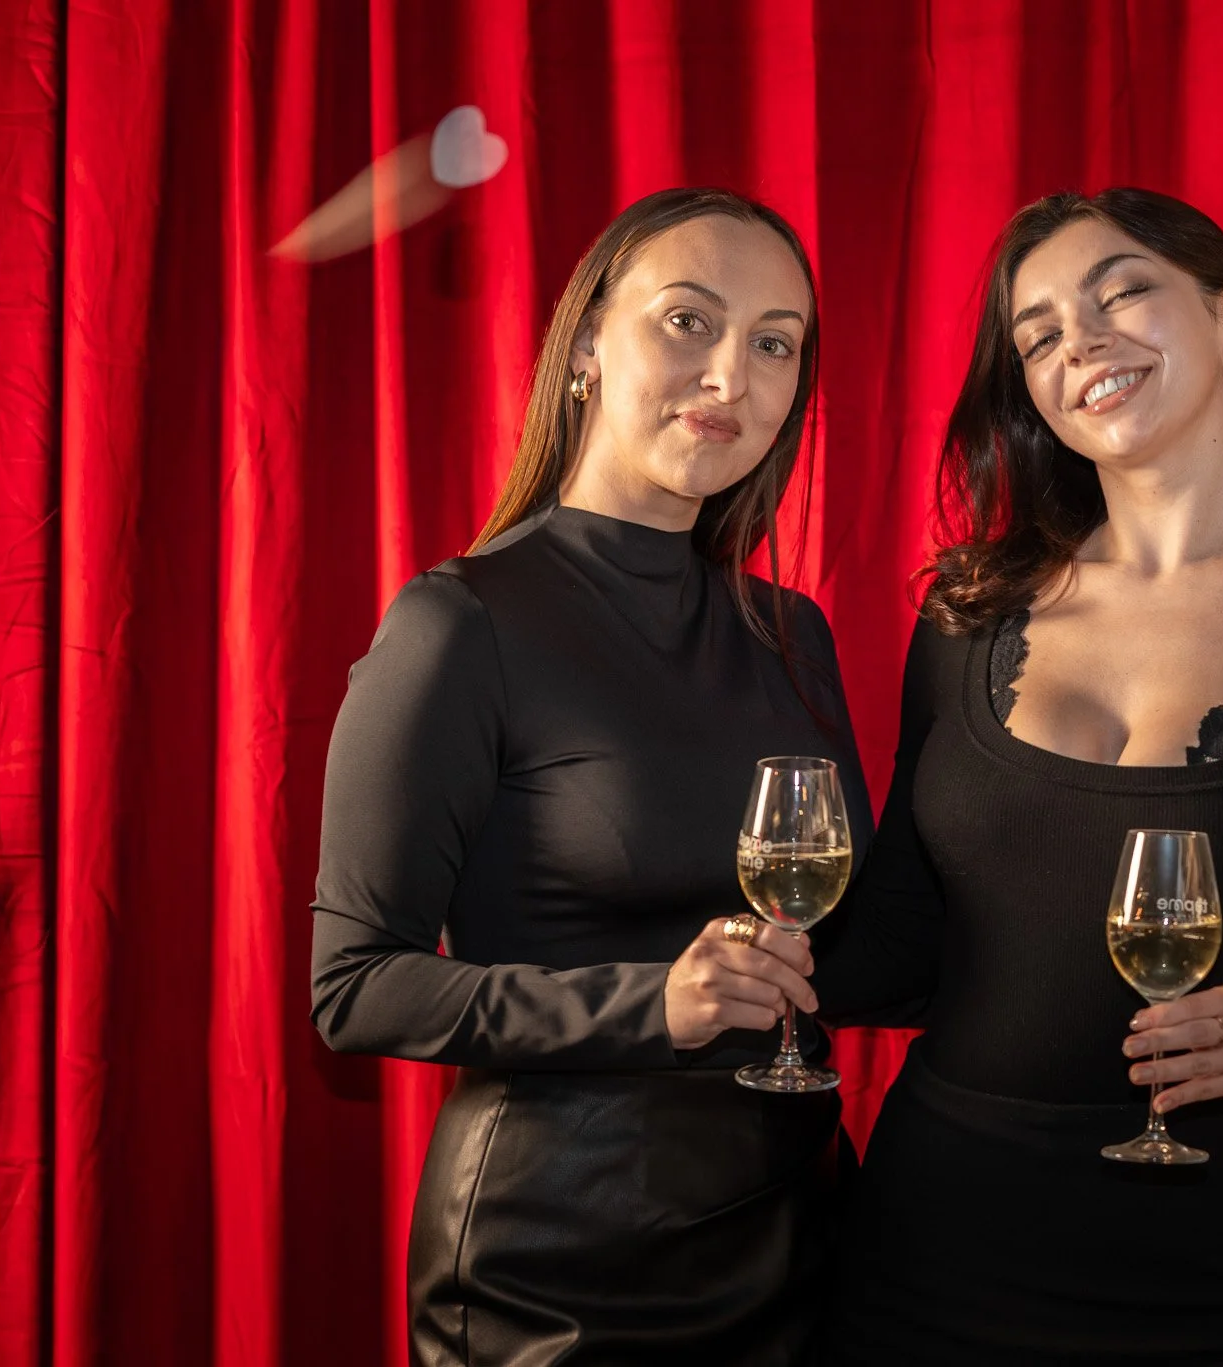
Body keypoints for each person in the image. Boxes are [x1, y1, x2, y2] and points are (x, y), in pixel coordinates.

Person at [815, 188, 1223, 1364]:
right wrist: (729, 953)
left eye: (1119, 292)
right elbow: (903, 942)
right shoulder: (964, 615)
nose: (1076, 342)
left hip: (1213, 1253)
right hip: (935, 1236)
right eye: (1035, 336)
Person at [309, 187, 871, 1366]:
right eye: (688, 321)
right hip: (563, 1268)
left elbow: (857, 947)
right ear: (584, 349)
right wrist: (651, 1003)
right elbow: (354, 987)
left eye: (774, 343)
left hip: (804, 1241)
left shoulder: (792, 634)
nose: (730, 374)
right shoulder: (460, 622)